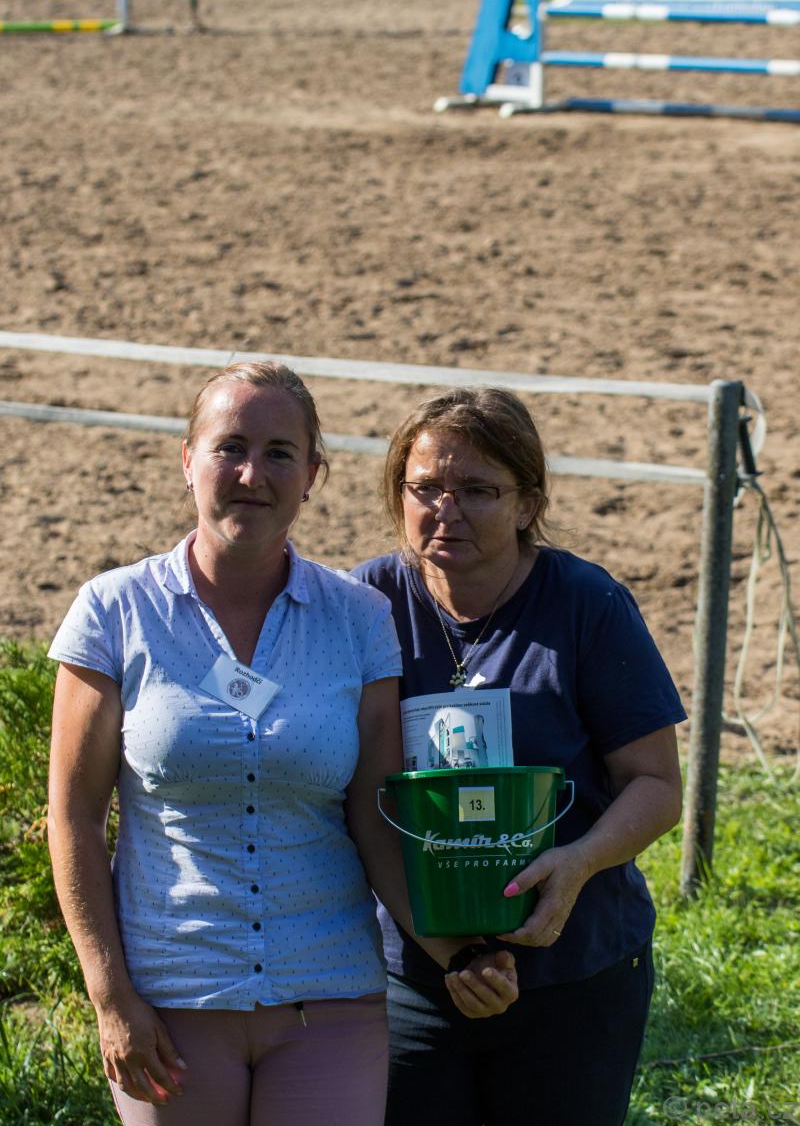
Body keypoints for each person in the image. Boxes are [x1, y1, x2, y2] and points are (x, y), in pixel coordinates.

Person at [46, 362, 517, 1126]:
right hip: (169, 1003)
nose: (251, 474)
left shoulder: (358, 619)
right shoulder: (114, 612)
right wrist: (111, 996)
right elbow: (73, 818)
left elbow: (376, 820)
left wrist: (456, 953)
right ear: (188, 460)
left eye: (278, 453)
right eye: (229, 447)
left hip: (330, 999)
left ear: (312, 476)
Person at [353, 387, 685, 1126]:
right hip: (411, 979)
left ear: (528, 503)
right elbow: (354, 797)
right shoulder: (366, 603)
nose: (447, 510)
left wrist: (579, 862)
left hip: (574, 971)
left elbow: (657, 784)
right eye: (426, 488)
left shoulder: (587, 604)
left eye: (478, 490)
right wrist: (451, 953)